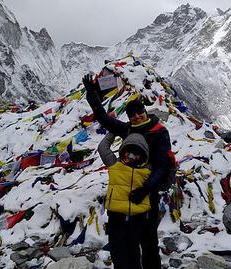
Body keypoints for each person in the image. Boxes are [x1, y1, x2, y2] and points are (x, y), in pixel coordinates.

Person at [83, 74, 171, 269]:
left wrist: (145, 189)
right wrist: (91, 93)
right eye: (132, 115)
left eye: (139, 112)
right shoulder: (128, 129)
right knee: (128, 239)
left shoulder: (159, 132)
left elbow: (163, 165)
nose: (137, 116)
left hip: (149, 192)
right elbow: (104, 119)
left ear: (145, 111)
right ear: (129, 117)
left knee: (148, 240)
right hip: (126, 193)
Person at [98, 132, 151, 269]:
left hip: (137, 218)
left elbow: (164, 183)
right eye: (128, 151)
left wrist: (172, 166)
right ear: (123, 151)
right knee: (117, 252)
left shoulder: (147, 171)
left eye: (136, 153)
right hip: (116, 217)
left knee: (133, 251)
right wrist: (113, 131)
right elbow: (103, 148)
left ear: (143, 154)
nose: (131, 156)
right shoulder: (115, 165)